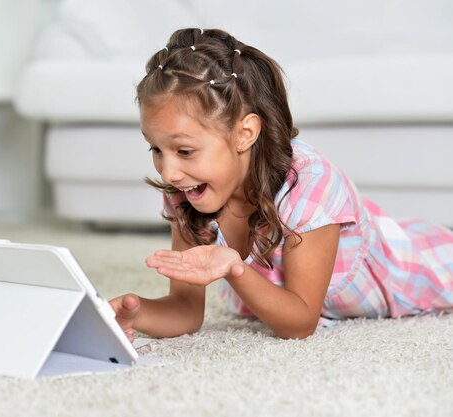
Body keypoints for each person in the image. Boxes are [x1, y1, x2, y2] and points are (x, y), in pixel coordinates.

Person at [109, 28, 453, 340]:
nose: (169, 173)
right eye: (156, 148)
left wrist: (234, 268)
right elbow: (185, 312)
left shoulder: (308, 186)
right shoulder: (188, 191)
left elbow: (301, 321)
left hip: (413, 268)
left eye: (184, 150)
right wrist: (137, 312)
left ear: (245, 134)